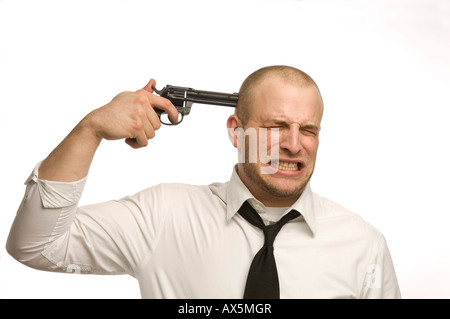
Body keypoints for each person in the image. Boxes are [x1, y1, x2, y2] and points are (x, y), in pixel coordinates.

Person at [6, 65, 401, 299]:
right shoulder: (163, 217)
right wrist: (88, 130)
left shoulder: (363, 246)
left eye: (308, 130)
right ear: (236, 131)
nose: (294, 144)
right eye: (275, 126)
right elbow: (35, 246)